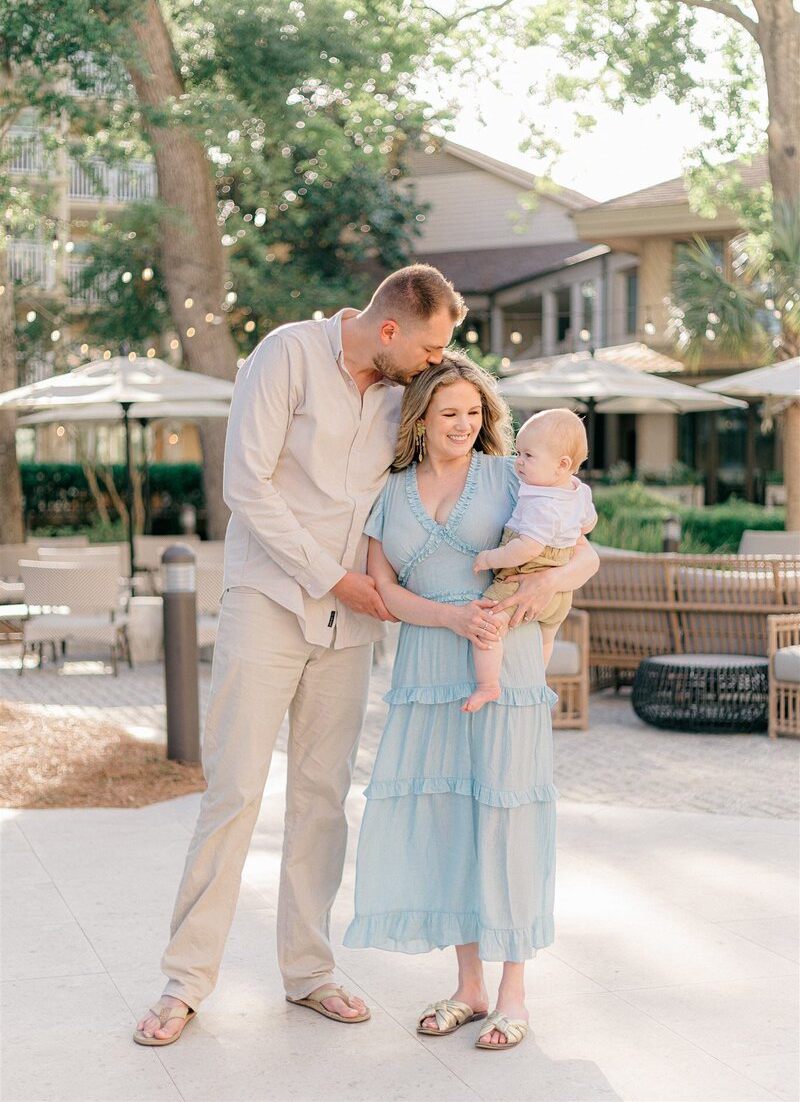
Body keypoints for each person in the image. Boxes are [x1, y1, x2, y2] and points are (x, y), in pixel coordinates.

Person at [134, 264, 469, 1046]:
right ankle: (186, 981)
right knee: (235, 791)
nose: (433, 360)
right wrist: (332, 579)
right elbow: (244, 484)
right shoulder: (285, 355)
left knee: (322, 799)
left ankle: (309, 972)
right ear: (389, 329)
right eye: (428, 345)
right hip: (269, 604)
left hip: (352, 626)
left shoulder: (402, 392)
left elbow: (452, 451)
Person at [344, 352, 599, 1050]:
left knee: (507, 816)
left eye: (475, 412)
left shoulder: (509, 473)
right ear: (421, 418)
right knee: (450, 819)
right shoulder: (389, 491)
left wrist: (548, 587)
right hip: (428, 666)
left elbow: (583, 552)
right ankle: (469, 986)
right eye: (450, 412)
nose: (465, 424)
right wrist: (449, 618)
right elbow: (382, 589)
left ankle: (514, 993)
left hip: (505, 662)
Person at [464, 408, 597, 712]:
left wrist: (488, 558)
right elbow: (588, 524)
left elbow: (525, 550)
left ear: (561, 465)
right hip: (562, 592)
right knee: (546, 638)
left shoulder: (541, 504)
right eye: (519, 452)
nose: (519, 462)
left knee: (488, 624)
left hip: (526, 571)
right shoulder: (579, 491)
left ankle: (487, 684)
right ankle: (538, 679)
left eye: (528, 456)